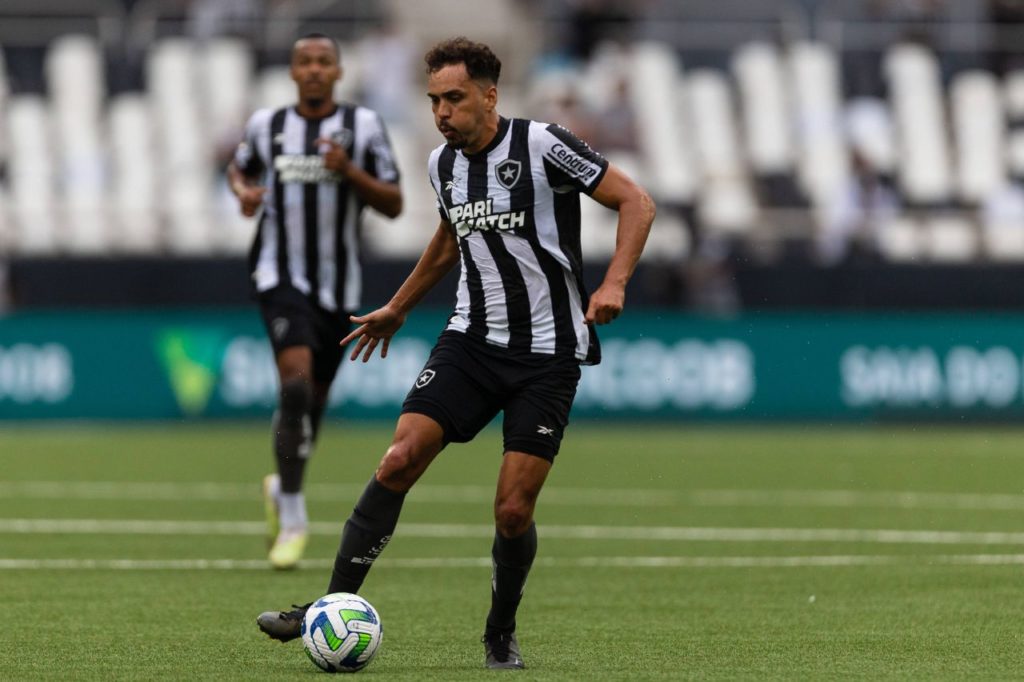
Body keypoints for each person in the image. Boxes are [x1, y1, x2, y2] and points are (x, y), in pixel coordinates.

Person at [256, 36, 655, 670]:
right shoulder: (443, 163)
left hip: (547, 354)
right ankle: (327, 606)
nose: (441, 112)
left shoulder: (543, 144)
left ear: (489, 95)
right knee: (398, 459)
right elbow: (449, 237)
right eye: (434, 100)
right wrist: (399, 305)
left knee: (512, 508)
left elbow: (636, 200)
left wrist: (615, 282)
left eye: (454, 98)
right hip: (470, 340)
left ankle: (500, 631)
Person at [227, 33, 403, 570]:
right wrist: (243, 193)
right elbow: (240, 169)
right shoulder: (267, 125)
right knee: (296, 385)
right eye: (304, 61)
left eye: (324, 61)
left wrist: (348, 170)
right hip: (279, 274)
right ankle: (294, 512)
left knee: (315, 404)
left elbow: (394, 203)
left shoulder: (364, 127)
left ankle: (282, 483)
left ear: (338, 71)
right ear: (292, 71)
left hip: (339, 284)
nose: (314, 70)